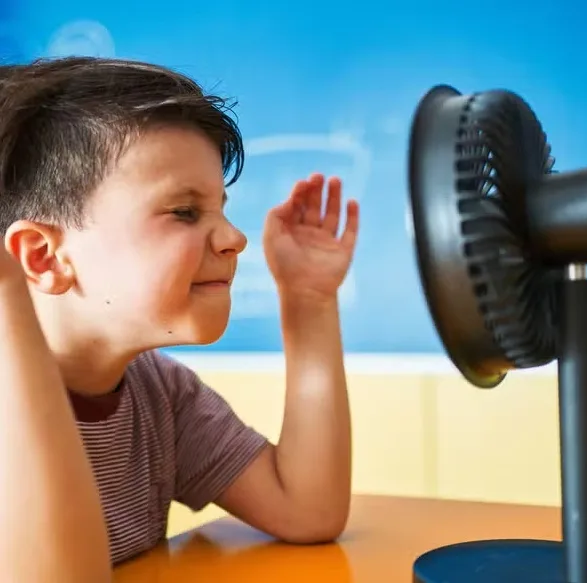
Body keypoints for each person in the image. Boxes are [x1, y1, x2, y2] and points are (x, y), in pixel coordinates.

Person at [0, 56, 359, 582]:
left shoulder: (159, 394)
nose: (234, 238)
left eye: (221, 208)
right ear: (43, 258)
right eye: (185, 212)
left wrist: (309, 301)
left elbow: (306, 509)